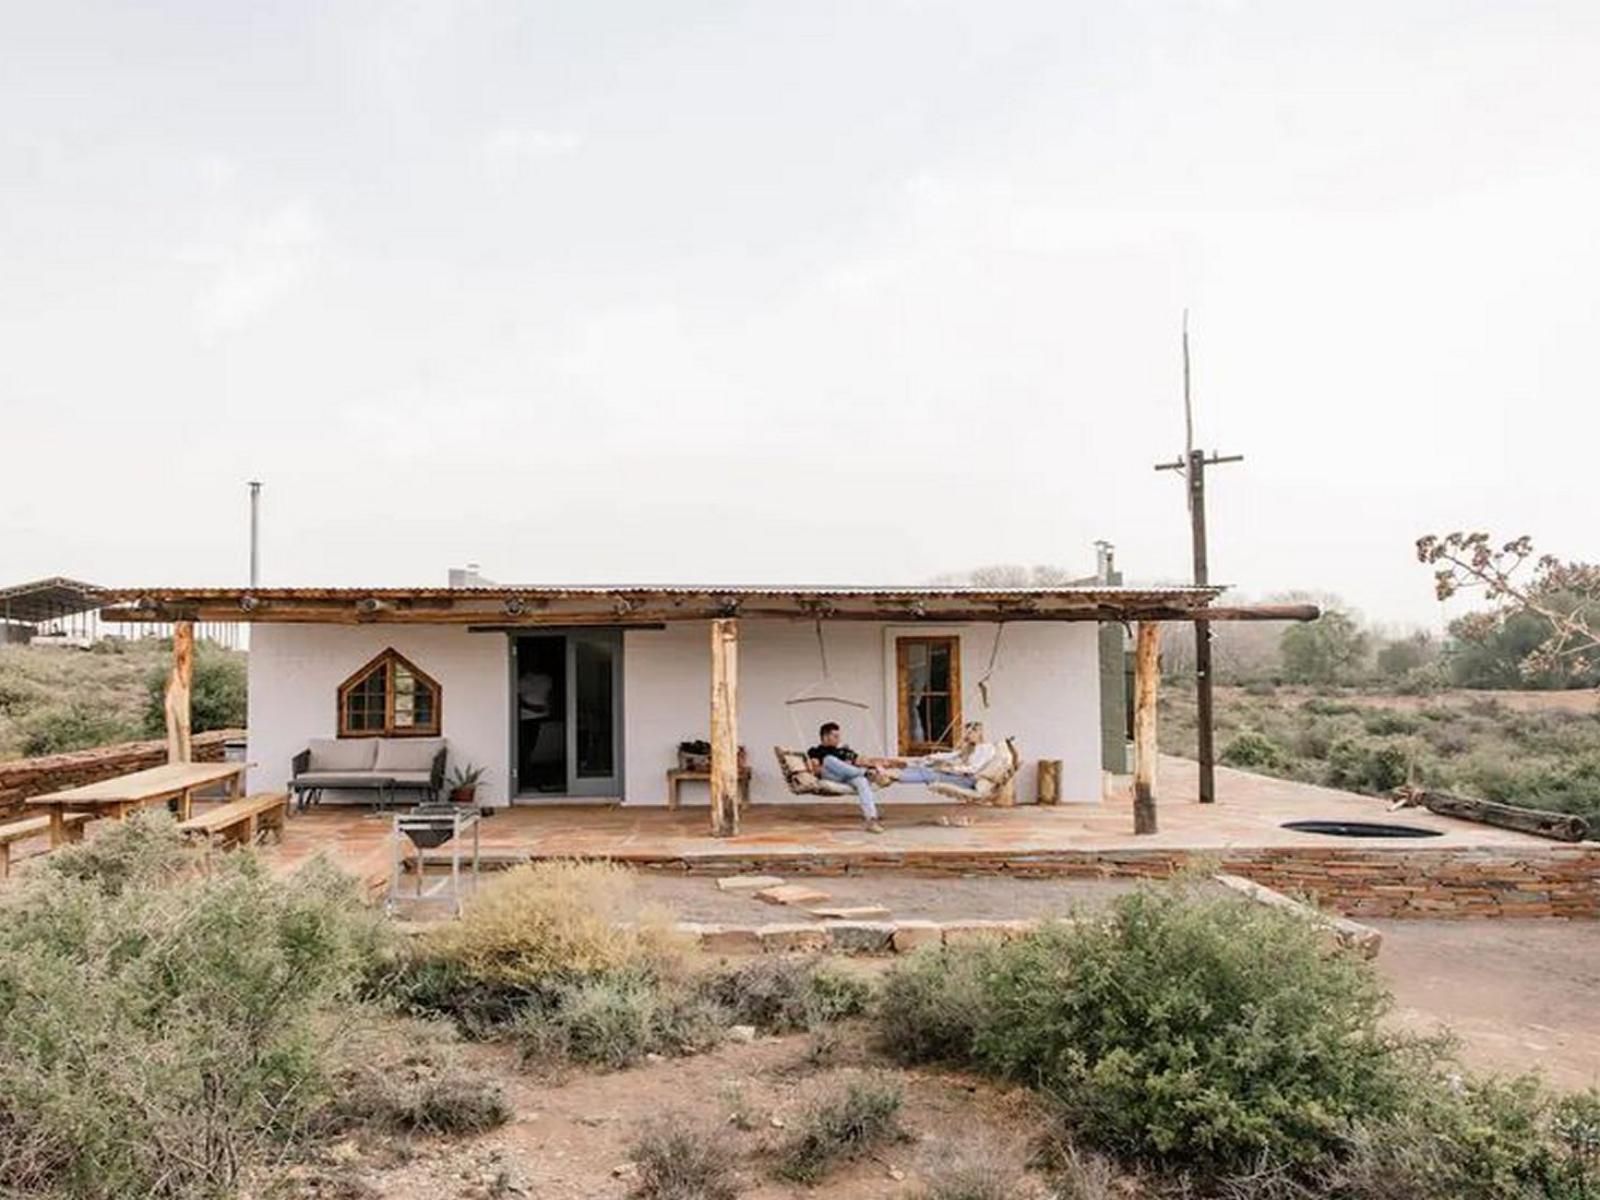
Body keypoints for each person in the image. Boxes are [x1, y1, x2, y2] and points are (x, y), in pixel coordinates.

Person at [806, 722, 892, 834]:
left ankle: (871, 820)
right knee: (828, 759)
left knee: (862, 781)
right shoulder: (815, 751)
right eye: (835, 736)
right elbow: (816, 769)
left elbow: (860, 760)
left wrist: (876, 764)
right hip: (830, 776)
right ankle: (868, 774)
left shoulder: (844, 751)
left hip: (849, 776)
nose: (838, 739)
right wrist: (820, 764)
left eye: (839, 736)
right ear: (825, 737)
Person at [885, 722, 997, 789]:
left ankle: (897, 776)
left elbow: (974, 769)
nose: (966, 736)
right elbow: (952, 755)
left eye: (969, 733)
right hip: (960, 775)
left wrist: (951, 769)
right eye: (966, 732)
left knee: (931, 774)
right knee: (927, 766)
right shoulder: (970, 747)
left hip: (969, 780)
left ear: (979, 733)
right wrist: (932, 756)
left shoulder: (987, 748)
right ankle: (896, 771)